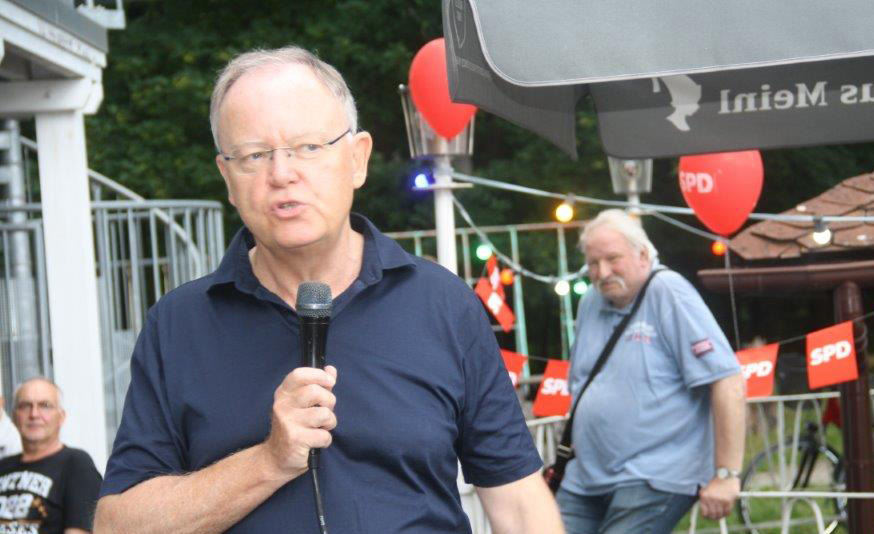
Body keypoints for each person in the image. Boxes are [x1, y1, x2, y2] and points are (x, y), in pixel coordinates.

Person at [93, 45, 563, 534]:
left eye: (308, 148)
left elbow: (520, 506)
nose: (282, 174)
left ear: (357, 159)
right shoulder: (179, 324)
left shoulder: (442, 304)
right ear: (228, 179)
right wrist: (267, 461)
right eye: (255, 155)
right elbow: (118, 526)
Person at [556, 209, 746, 534]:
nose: (602, 273)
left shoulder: (667, 290)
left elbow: (726, 380)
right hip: (584, 476)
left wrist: (727, 474)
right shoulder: (590, 300)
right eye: (593, 264)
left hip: (654, 475)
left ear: (643, 254)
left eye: (613, 259)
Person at [0, 378, 103, 534]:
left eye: (45, 405)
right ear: (14, 417)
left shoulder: (76, 464)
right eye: (25, 406)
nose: (34, 414)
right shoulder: (3, 466)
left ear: (61, 417)